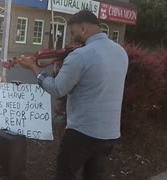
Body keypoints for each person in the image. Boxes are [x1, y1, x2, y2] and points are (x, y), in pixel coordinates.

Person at [18, 10, 129, 180]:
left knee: (65, 174)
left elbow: (57, 89)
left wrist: (35, 69)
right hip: (109, 133)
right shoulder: (121, 52)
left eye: (73, 32)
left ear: (83, 29)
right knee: (94, 176)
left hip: (82, 132)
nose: (72, 38)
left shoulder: (80, 55)